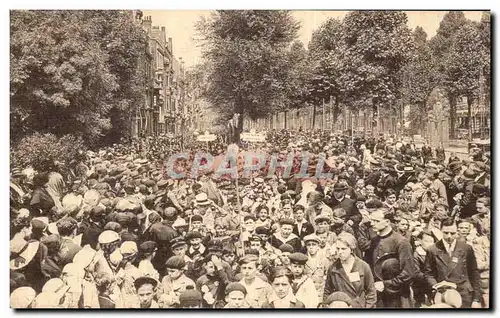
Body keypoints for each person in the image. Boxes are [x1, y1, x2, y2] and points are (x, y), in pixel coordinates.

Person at [423, 218, 482, 308]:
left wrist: (476, 299)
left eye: (453, 233)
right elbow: (428, 274)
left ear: (457, 231)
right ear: (440, 230)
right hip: (443, 295)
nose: (449, 236)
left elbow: (474, 274)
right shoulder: (432, 249)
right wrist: (436, 286)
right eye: (446, 233)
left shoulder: (466, 248)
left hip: (464, 295)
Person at [366, 208, 415, 308]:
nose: (372, 224)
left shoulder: (401, 242)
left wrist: (386, 284)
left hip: (398, 297)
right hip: (379, 296)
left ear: (387, 222)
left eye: (376, 221)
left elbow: (408, 272)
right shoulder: (374, 241)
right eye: (371, 220)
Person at [324, 232, 376, 308]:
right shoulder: (333, 268)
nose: (340, 252)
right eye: (338, 249)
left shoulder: (363, 266)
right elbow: (327, 292)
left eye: (343, 249)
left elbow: (371, 292)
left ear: (351, 249)